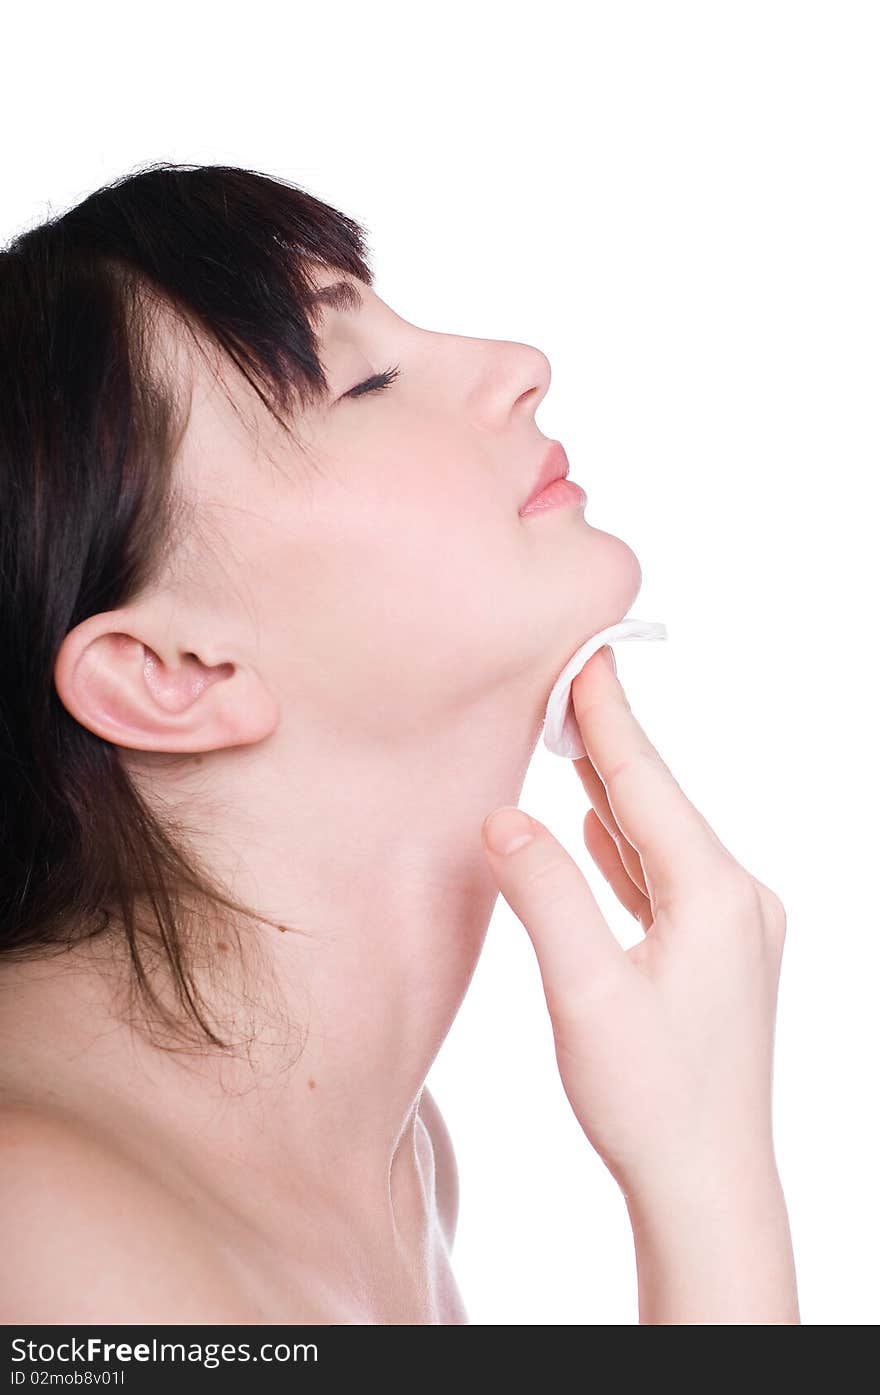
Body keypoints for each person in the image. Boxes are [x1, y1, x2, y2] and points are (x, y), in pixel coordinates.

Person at [0, 162, 798, 1325]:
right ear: (171, 676)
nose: (519, 365)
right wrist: (707, 1180)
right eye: (364, 381)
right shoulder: (50, 1239)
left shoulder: (399, 1158)